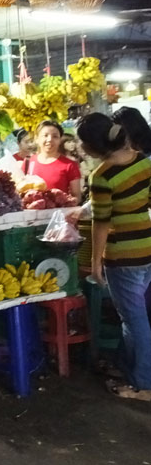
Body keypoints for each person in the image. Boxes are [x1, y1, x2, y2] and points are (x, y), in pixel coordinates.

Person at [77, 113, 151, 401]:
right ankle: (129, 366)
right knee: (138, 317)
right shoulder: (144, 161)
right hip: (147, 247)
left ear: (93, 147)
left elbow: (102, 223)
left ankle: (143, 384)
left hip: (122, 257)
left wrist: (96, 263)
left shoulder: (102, 176)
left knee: (134, 321)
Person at [23, 121, 82, 202]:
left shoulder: (70, 165)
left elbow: (76, 196)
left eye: (55, 136)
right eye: (45, 135)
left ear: (60, 140)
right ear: (37, 139)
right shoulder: (28, 162)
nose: (49, 139)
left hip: (59, 213)